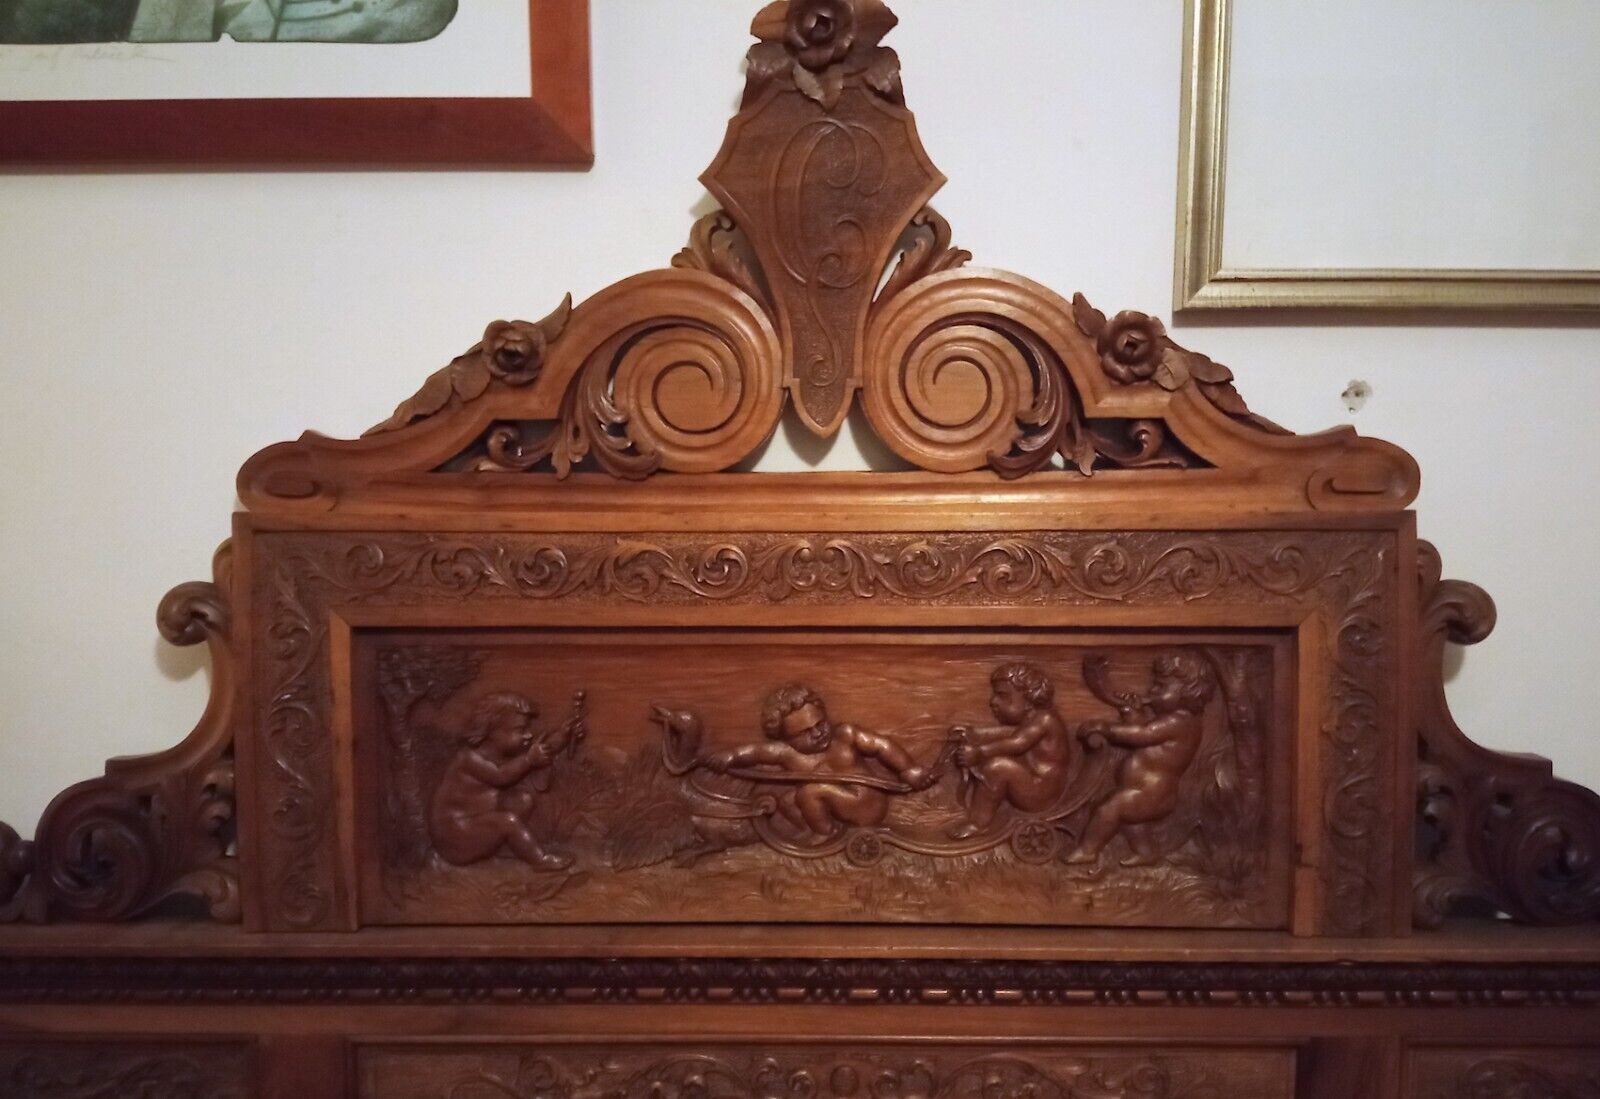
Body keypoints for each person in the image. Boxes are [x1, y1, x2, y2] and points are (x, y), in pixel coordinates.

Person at [702, 686, 934, 840]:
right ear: (785, 738)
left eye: (820, 724)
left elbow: (881, 745)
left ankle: (826, 835)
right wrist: (730, 756)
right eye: (805, 732)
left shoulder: (844, 735)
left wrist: (908, 769)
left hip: (867, 802)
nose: (817, 734)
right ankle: (811, 831)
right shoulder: (786, 753)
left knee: (810, 792)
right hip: (840, 805)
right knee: (788, 801)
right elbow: (755, 752)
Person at [1067, 652, 1215, 866]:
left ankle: (1088, 850)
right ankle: (1145, 851)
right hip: (1147, 790)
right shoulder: (1171, 720)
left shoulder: (1179, 722)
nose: (1151, 691)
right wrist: (1132, 714)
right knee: (1133, 823)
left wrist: (1105, 728)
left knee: (1109, 809)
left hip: (1153, 792)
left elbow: (1141, 734)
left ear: (1188, 693)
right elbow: (1143, 733)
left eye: (1161, 687)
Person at [428, 692, 582, 870]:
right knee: (507, 821)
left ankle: (507, 847)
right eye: (520, 730)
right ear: (491, 731)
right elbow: (501, 776)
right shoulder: (469, 759)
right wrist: (529, 760)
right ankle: (539, 860)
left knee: (522, 801)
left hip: (475, 825)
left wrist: (564, 734)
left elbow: (542, 751)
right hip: (455, 838)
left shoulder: (501, 753)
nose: (529, 735)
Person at [947, 663, 1073, 839]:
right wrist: (974, 734)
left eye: (1002, 695)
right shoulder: (1033, 720)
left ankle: (979, 823)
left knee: (997, 768)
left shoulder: (1044, 719)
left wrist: (980, 752)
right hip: (1034, 785)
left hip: (1041, 793)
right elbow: (1009, 733)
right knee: (997, 764)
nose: (993, 701)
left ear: (1028, 700)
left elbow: (1017, 742)